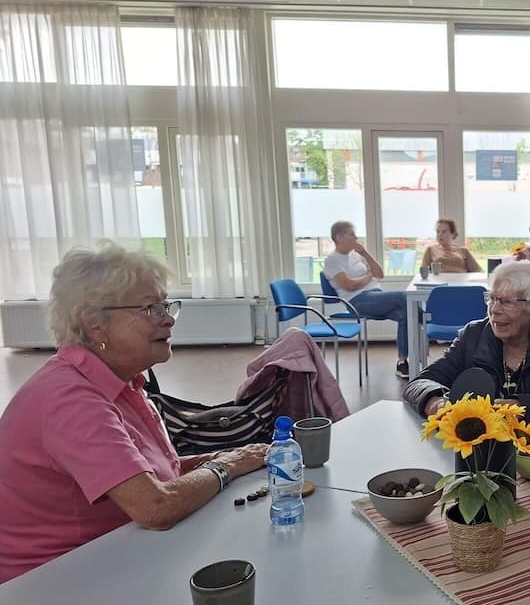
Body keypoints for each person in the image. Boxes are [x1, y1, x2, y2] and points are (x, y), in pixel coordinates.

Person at [0, 244, 267, 585]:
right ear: (95, 324)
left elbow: (155, 474)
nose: (168, 318)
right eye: (151, 308)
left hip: (111, 557)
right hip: (52, 587)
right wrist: (228, 465)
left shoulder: (118, 382)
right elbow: (154, 506)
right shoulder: (70, 399)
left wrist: (222, 457)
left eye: (166, 306)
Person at [403, 261, 530, 424]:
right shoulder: (473, 335)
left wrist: (516, 407)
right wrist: (435, 403)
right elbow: (419, 383)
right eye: (492, 298)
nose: (494, 310)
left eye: (507, 302)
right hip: (480, 448)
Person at [324, 220, 409, 379]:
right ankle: (430, 325)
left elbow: (380, 274)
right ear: (339, 237)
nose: (356, 237)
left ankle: (402, 361)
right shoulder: (332, 260)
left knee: (405, 314)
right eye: (352, 234)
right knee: (404, 297)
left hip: (375, 296)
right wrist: (368, 276)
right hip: (357, 301)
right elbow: (349, 285)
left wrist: (365, 254)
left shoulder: (356, 255)